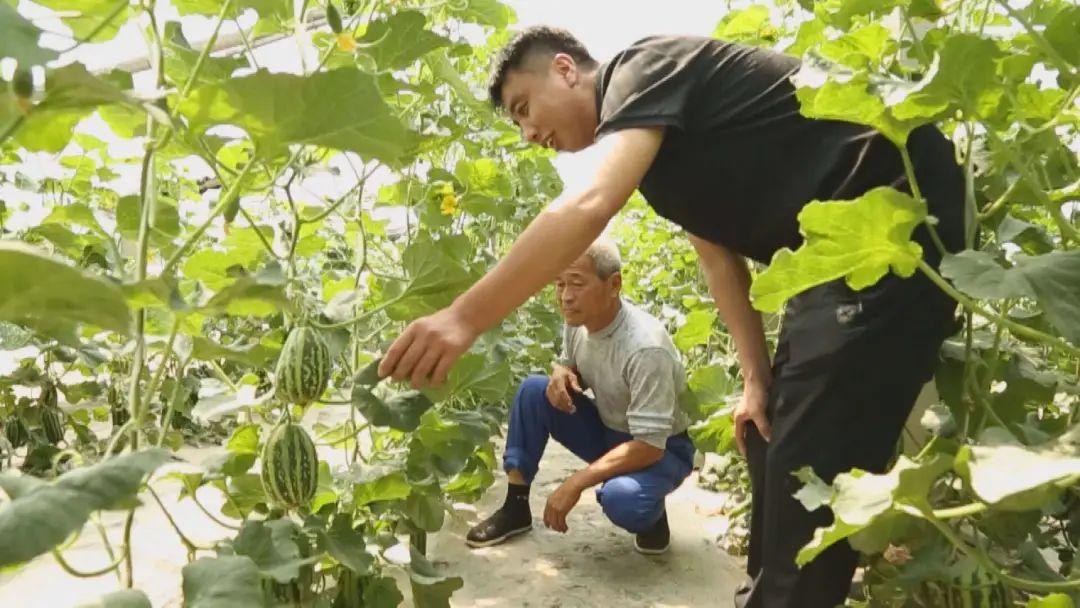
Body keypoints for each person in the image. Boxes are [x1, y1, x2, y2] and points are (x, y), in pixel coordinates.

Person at [378, 27, 963, 607]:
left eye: (525, 109)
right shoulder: (662, 161)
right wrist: (756, 381)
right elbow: (719, 262)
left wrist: (463, 316)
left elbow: (588, 205)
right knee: (772, 436)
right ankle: (761, 593)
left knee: (809, 472)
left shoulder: (641, 65)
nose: (529, 133)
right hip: (839, 251)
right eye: (518, 124)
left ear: (565, 69)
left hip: (895, 215)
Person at [464, 238, 694, 554]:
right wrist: (562, 372)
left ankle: (652, 515)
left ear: (614, 284)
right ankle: (515, 507)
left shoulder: (645, 348)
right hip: (609, 430)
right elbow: (575, 364)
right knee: (533, 390)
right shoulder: (579, 320)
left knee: (622, 499)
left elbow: (650, 446)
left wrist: (574, 483)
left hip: (662, 449)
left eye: (577, 283)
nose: (566, 296)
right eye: (559, 284)